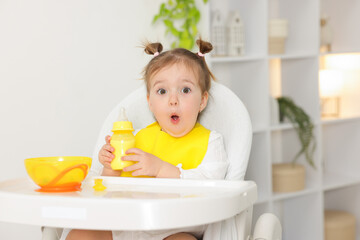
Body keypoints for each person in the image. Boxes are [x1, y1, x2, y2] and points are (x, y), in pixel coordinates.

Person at [64, 38, 229, 240]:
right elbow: (107, 191)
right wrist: (110, 165)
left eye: (185, 90)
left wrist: (160, 169)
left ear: (202, 100)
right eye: (162, 91)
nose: (173, 100)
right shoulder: (135, 139)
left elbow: (214, 191)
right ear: (150, 102)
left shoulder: (210, 142)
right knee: (81, 234)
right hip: (125, 227)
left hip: (174, 229)